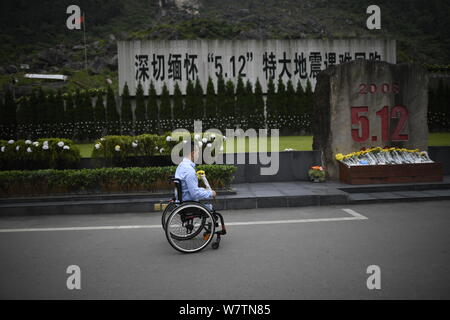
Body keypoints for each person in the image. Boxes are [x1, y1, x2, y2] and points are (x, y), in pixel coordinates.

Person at [175, 141, 216, 208]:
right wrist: (210, 193)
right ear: (193, 153)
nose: (198, 155)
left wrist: (204, 190)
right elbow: (195, 194)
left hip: (181, 201)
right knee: (211, 208)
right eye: (198, 153)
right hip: (189, 203)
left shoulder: (180, 166)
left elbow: (190, 189)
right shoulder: (189, 170)